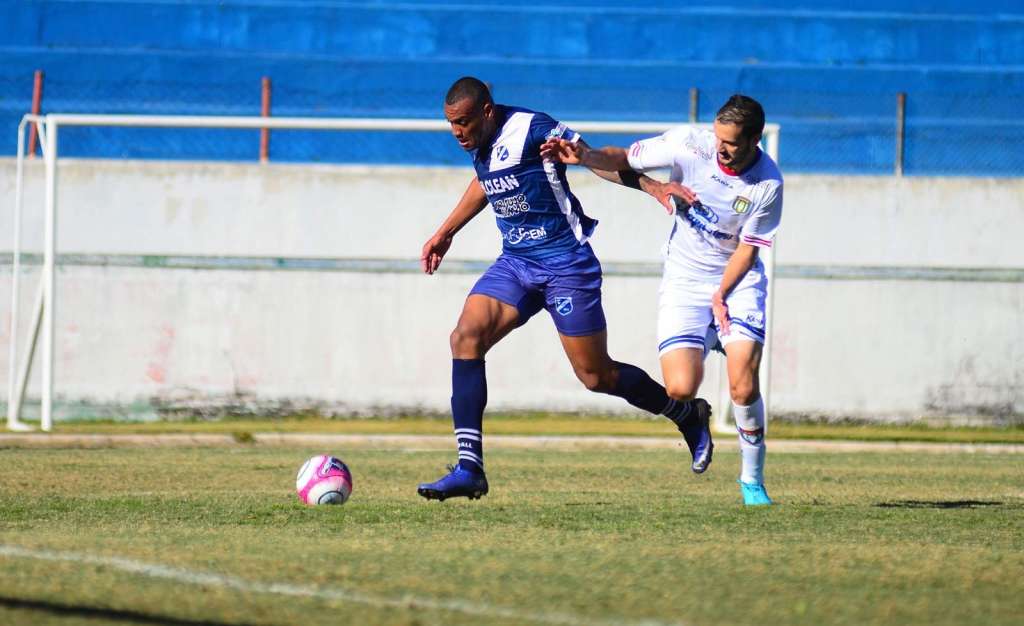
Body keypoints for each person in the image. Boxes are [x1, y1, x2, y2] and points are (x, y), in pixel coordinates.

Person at [416, 77, 714, 501]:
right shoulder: (477, 143)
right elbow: (486, 182)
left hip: (565, 265)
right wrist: (445, 232)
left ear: (485, 111)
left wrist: (656, 187)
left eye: (463, 122)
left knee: (597, 376)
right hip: (517, 263)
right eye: (451, 124)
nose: (457, 132)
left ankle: (685, 414)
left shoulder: (533, 127)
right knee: (465, 338)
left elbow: (593, 159)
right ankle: (470, 467)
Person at [541, 95, 783, 506]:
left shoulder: (767, 184)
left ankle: (751, 479)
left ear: (756, 140)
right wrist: (586, 155)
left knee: (743, 385)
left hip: (736, 283)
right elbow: (626, 158)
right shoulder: (690, 144)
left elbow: (748, 250)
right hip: (685, 279)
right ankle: (697, 405)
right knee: (681, 387)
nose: (721, 148)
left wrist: (722, 294)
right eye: (719, 138)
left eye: (731, 143)